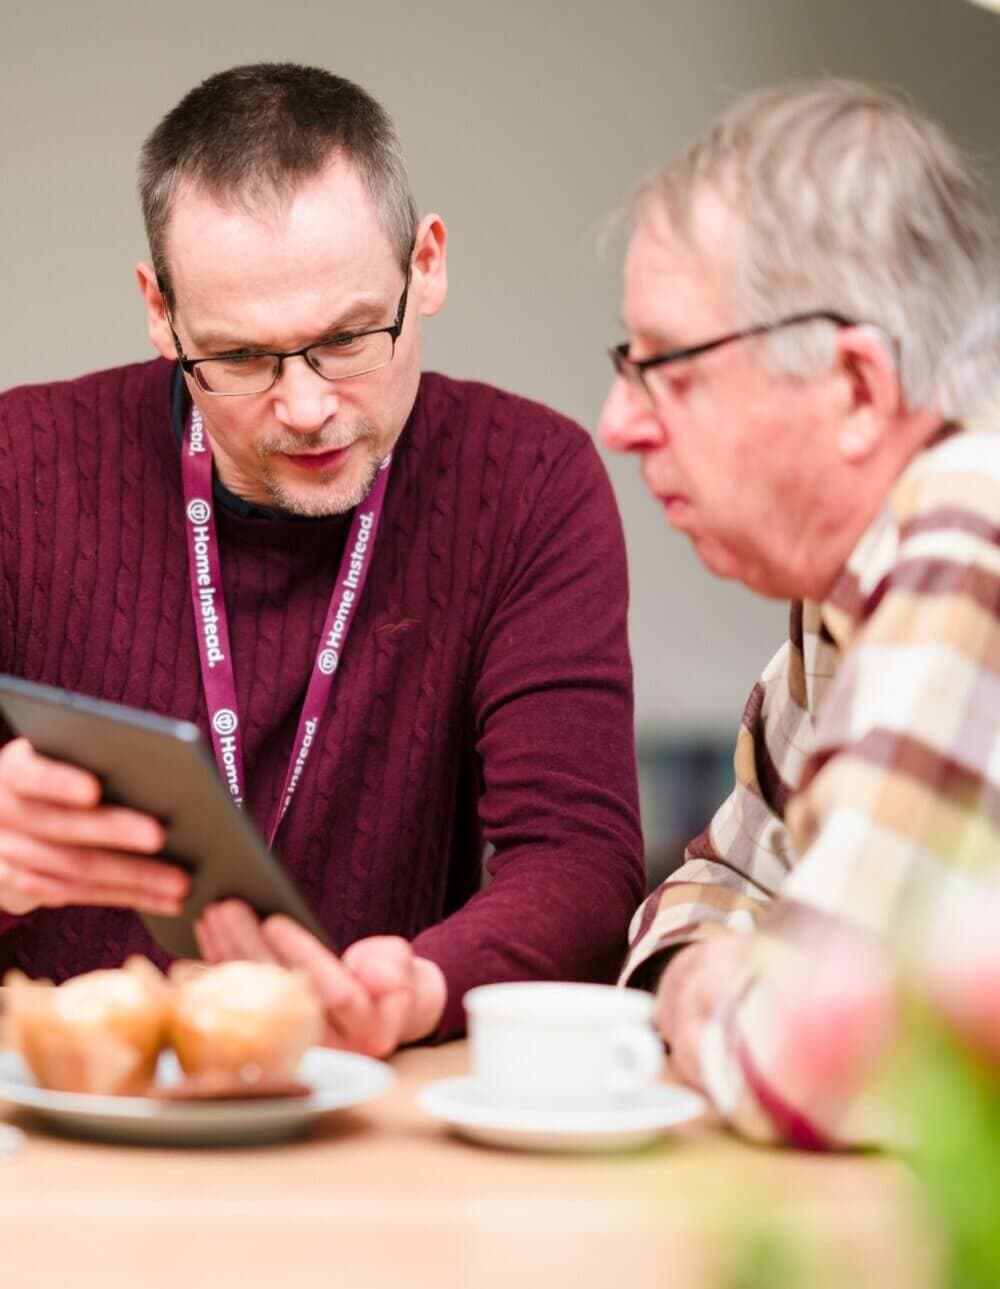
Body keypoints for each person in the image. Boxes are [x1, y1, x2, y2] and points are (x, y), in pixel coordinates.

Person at [0, 62, 644, 1056]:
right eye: (243, 358)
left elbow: (580, 861)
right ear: (159, 310)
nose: (304, 408)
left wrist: (425, 985)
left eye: (348, 339)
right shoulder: (19, 463)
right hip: (68, 1108)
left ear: (426, 263)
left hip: (374, 1105)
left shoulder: (527, 479)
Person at [599, 79, 1000, 1146]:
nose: (617, 421)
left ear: (858, 388)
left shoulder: (973, 521)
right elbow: (710, 885)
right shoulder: (844, 590)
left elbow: (801, 1059)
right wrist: (718, 965)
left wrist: (708, 987)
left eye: (666, 366)